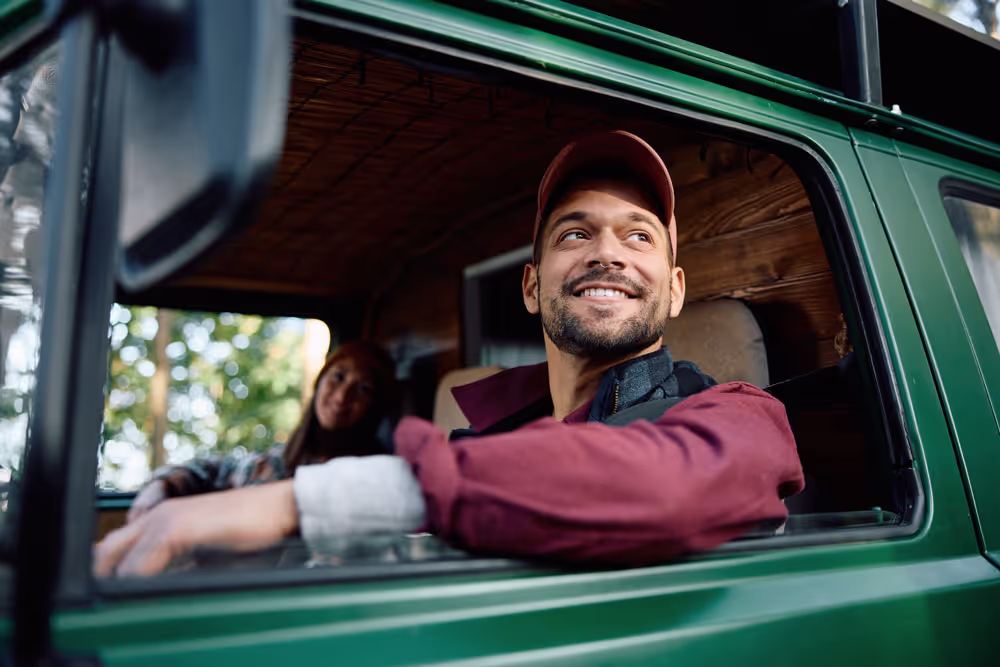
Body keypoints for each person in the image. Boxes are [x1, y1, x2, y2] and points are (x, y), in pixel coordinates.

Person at [95, 131, 804, 577]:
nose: (609, 252)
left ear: (676, 289)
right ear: (532, 286)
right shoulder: (480, 433)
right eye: (575, 234)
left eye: (640, 236)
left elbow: (666, 487)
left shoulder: (738, 419)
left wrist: (301, 502)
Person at [126, 340, 397, 522]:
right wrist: (162, 486)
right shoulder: (274, 462)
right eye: (338, 377)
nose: (342, 397)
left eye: (363, 389)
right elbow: (211, 469)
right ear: (320, 381)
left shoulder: (369, 478)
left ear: (375, 407)